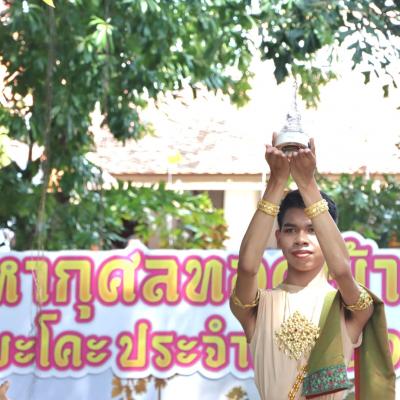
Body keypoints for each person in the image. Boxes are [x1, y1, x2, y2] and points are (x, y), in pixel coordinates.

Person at [229, 135, 395, 400]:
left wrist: (307, 183)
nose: (301, 239)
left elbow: (342, 271)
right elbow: (247, 268)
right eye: (290, 230)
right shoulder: (257, 307)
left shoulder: (349, 307)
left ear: (329, 237)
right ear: (278, 238)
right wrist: (276, 182)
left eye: (312, 230)